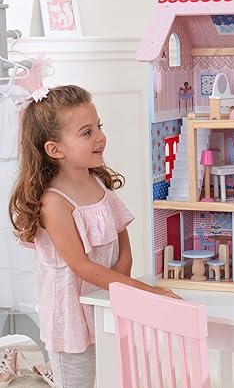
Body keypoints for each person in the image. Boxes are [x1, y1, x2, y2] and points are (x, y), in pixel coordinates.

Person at [8, 85, 179, 388]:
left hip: (106, 297)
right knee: (78, 381)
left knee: (115, 373)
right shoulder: (55, 203)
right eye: (87, 132)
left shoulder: (98, 182)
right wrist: (143, 291)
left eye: (98, 126)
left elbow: (121, 232)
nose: (100, 137)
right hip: (71, 315)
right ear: (55, 149)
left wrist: (123, 275)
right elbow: (81, 266)